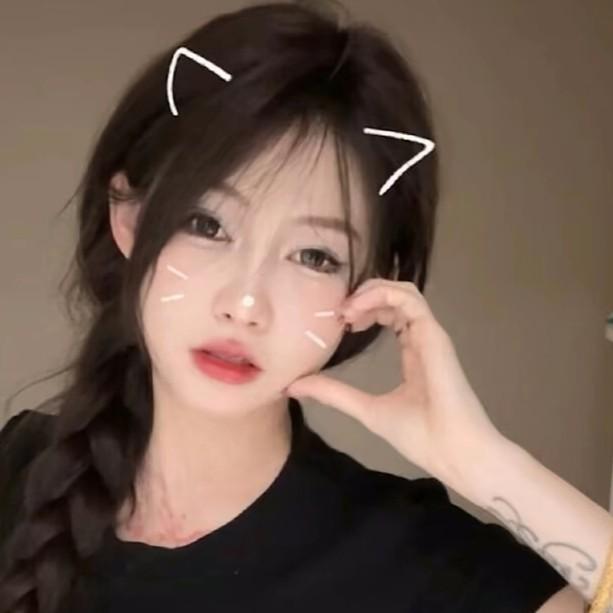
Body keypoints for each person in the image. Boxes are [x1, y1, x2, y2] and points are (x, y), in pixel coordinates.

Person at [0, 1, 595, 611]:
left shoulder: (417, 557)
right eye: (207, 224)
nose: (245, 304)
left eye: (314, 256)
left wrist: (488, 464)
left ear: (372, 288)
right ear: (127, 216)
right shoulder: (21, 471)